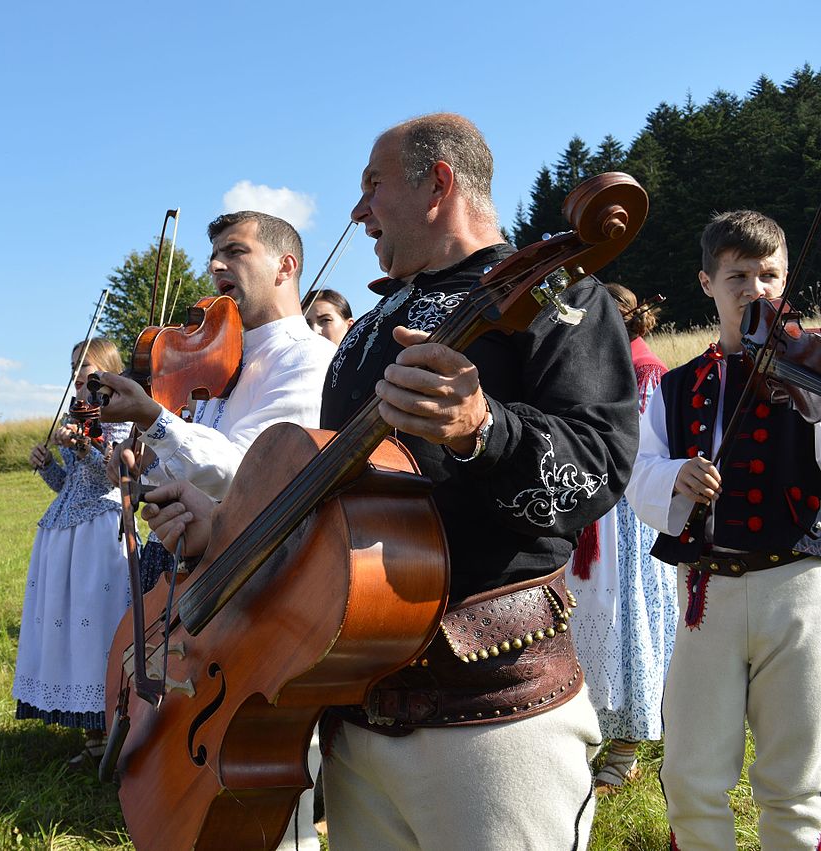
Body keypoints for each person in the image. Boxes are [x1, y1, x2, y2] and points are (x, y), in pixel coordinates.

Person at [144, 114, 638, 849]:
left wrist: (483, 428)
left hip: (492, 719)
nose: (357, 210)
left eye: (373, 186)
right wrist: (224, 530)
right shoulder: (368, 333)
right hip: (354, 713)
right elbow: (335, 515)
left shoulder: (563, 298)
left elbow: (597, 468)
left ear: (438, 182)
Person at [98, 211, 336, 850]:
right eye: (214, 256)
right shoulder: (216, 360)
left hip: (268, 587)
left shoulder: (310, 359)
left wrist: (157, 417)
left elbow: (257, 472)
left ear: (286, 266)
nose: (216, 268)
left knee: (270, 776)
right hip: (199, 582)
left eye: (236, 252)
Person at [626, 210, 821, 849]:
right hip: (704, 592)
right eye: (738, 275)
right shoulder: (678, 385)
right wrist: (676, 477)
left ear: (787, 278)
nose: (755, 289)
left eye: (769, 274)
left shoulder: (813, 367)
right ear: (707, 283)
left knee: (796, 782)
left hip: (796, 590)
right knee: (690, 777)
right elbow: (640, 473)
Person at [566, 283, 677, 793]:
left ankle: (627, 746)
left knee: (627, 622)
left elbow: (649, 452)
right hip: (587, 513)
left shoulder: (647, 374)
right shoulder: (585, 367)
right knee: (586, 621)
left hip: (627, 520)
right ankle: (584, 735)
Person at [14, 337, 132, 765]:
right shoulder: (72, 416)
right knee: (72, 632)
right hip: (64, 532)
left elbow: (118, 475)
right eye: (73, 366)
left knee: (98, 629)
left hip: (100, 532)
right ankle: (91, 739)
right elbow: (67, 485)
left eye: (87, 365)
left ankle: (117, 734)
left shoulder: (119, 413)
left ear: (108, 368)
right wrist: (47, 463)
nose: (78, 373)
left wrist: (87, 444)